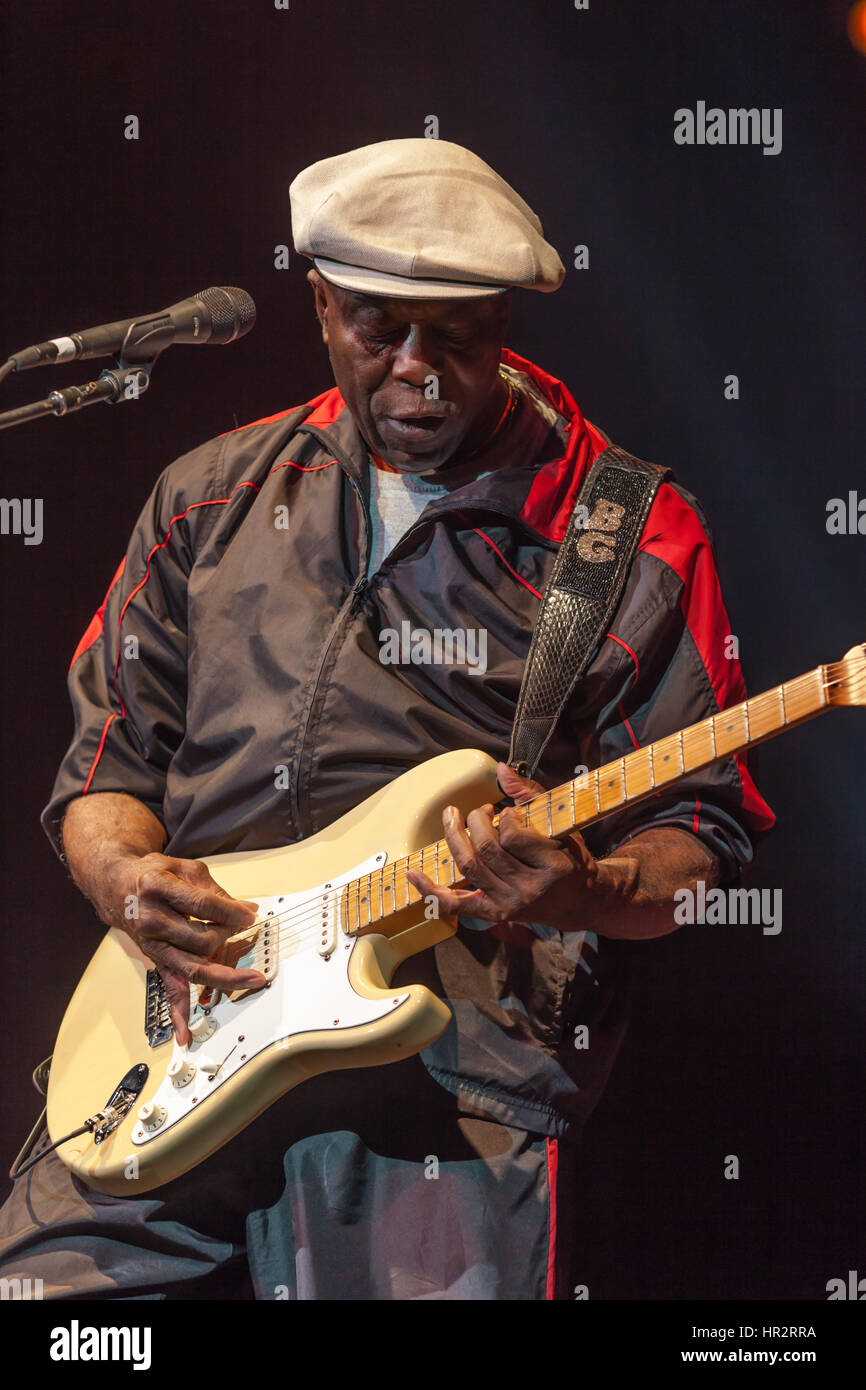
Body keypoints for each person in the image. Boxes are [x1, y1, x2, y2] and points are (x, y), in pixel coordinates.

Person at [0, 138, 773, 1300]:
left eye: (456, 337)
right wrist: (123, 879)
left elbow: (704, 847)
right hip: (172, 1042)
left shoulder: (629, 532)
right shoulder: (208, 495)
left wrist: (578, 890)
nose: (417, 370)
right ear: (316, 301)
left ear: (504, 317)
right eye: (376, 326)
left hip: (441, 1092)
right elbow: (107, 757)